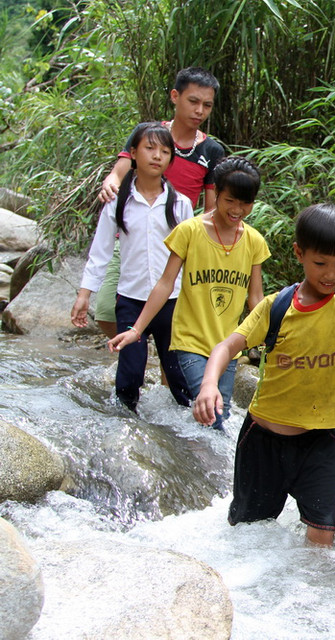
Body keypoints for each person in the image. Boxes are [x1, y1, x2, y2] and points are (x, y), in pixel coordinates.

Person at [192, 152, 335, 545]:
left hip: (319, 441)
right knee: (245, 537)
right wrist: (209, 384)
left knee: (322, 533)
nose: (331, 275)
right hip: (263, 441)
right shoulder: (277, 307)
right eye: (320, 263)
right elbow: (227, 345)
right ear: (299, 254)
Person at [108, 157, 270, 430]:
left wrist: (270, 338)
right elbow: (165, 284)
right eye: (230, 200)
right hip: (189, 343)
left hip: (228, 346)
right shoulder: (190, 231)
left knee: (220, 415)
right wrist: (137, 330)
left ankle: (185, 457)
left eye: (246, 203)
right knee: (213, 415)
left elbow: (256, 298)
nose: (237, 209)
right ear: (216, 193)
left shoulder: (254, 240)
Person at [93, 66, 226, 338]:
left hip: (178, 242)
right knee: (106, 311)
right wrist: (110, 183)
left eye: (207, 105)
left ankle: (161, 373)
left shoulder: (211, 151)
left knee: (173, 328)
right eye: (193, 101)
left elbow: (211, 209)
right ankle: (134, 347)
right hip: (133, 235)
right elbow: (118, 172)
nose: (199, 110)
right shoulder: (148, 134)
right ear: (175, 96)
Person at [71, 122, 193, 412]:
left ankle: (187, 437)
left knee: (179, 377)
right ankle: (124, 426)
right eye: (150, 148)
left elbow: (191, 257)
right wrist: (84, 294)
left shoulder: (181, 205)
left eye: (165, 151)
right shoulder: (117, 203)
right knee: (129, 375)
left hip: (172, 302)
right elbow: (100, 253)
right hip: (131, 300)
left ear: (170, 160)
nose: (157, 156)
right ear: (133, 153)